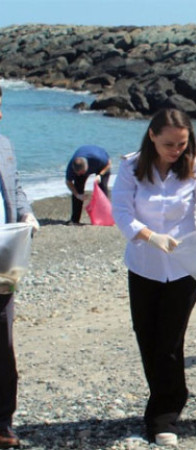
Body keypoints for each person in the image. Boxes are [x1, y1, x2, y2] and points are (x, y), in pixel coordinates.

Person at [111, 108, 196, 447]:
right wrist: (149, 235)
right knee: (146, 335)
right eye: (169, 144)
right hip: (144, 264)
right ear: (152, 137)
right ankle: (164, 399)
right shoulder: (131, 166)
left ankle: (165, 415)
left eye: (182, 144)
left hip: (184, 266)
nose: (176, 150)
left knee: (170, 341)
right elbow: (121, 211)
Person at [0, 85, 40, 450]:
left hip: (4, 258)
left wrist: (26, 212)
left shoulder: (5, 144)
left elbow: (15, 188)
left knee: (3, 341)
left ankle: (3, 423)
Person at [65, 145, 111, 225]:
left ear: (87, 168)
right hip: (83, 165)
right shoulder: (71, 167)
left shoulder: (98, 159)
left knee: (102, 189)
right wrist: (77, 195)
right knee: (78, 189)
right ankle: (75, 220)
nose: (79, 174)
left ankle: (104, 218)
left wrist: (100, 175)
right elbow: (68, 182)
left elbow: (109, 164)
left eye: (81, 172)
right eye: (77, 173)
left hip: (101, 167)